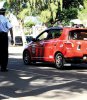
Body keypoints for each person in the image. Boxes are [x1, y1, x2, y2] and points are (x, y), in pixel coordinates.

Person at [0, 8, 14, 72]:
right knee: (4, 52)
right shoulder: (5, 19)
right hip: (4, 36)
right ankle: (3, 68)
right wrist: (12, 38)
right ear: (4, 13)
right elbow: (10, 28)